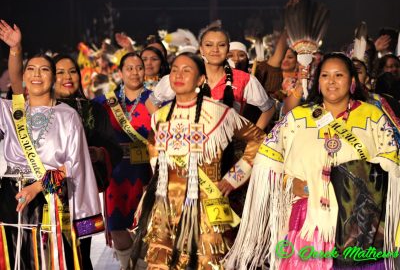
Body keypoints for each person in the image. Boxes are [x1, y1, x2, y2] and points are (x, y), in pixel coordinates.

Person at [225, 53, 400, 270]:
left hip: (358, 222)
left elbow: (392, 161)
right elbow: (267, 160)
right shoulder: (298, 117)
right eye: (325, 75)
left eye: (339, 75)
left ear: (352, 81)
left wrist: (363, 185)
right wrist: (289, 183)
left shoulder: (373, 117)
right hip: (308, 220)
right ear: (318, 82)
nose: (332, 81)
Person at [0, 21, 123, 269]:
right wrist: (15, 49)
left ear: (53, 77)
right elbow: (13, 80)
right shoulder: (13, 111)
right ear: (24, 77)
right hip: (10, 197)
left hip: (49, 199)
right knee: (14, 256)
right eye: (31, 70)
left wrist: (37, 187)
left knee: (50, 260)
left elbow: (74, 166)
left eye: (44, 70)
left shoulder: (67, 116)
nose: (36, 75)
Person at [132, 52, 265, 269]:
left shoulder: (220, 113)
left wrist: (233, 178)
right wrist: (160, 174)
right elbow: (153, 145)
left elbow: (258, 140)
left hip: (207, 206)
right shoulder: (161, 115)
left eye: (186, 70)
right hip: (165, 206)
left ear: (201, 79)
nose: (178, 75)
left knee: (207, 261)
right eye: (174, 69)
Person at [149, 26, 275, 130]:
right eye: (209, 45)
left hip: (230, 154)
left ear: (227, 50)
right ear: (201, 50)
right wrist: (165, 131)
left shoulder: (245, 80)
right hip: (192, 152)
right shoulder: (184, 76)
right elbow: (151, 103)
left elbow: (269, 108)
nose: (215, 50)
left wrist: (252, 138)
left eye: (221, 45)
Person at [94, 52, 153, 270]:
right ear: (120, 72)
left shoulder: (155, 100)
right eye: (129, 68)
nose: (135, 72)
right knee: (118, 226)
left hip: (146, 172)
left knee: (145, 226)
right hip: (116, 172)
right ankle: (127, 265)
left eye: (139, 67)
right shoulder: (106, 102)